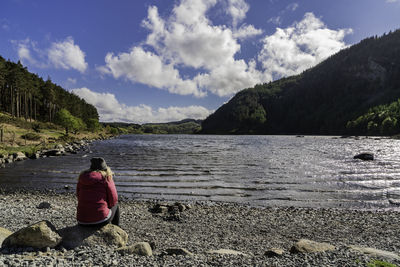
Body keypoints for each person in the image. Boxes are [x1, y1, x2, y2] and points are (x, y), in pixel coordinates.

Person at [76, 157, 119, 226]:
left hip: (81, 220)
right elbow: (114, 198)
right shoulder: (105, 177)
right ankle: (116, 228)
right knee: (116, 204)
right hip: (100, 220)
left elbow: (78, 196)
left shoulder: (82, 176)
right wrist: (108, 206)